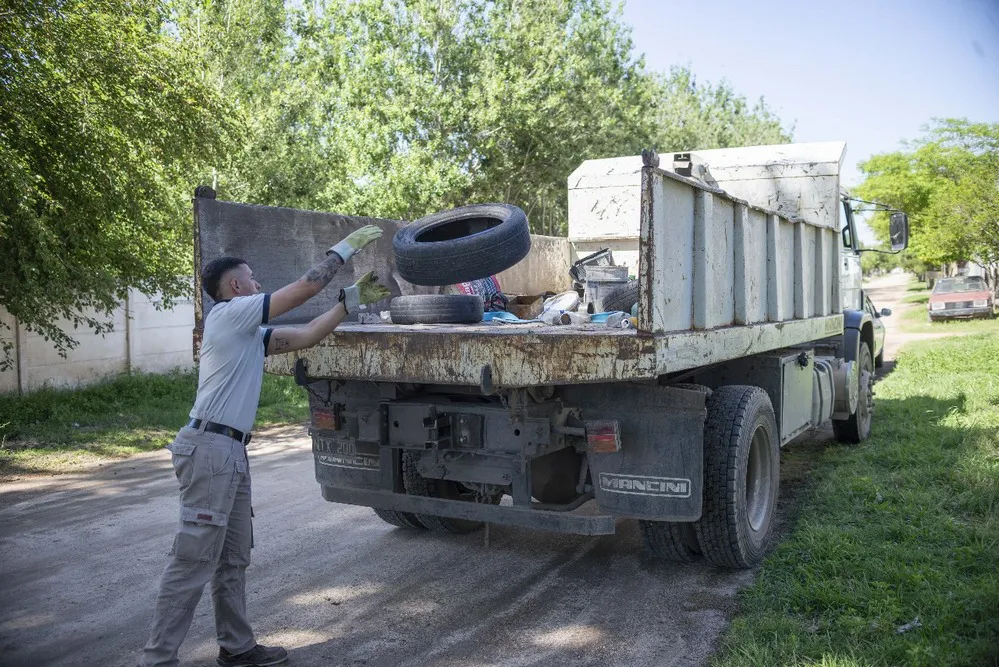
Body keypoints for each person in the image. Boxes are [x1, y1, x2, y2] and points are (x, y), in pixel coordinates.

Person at [138, 225, 390, 667]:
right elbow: (304, 288)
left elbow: (308, 335)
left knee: (233, 558)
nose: (259, 286)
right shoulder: (230, 313)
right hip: (210, 449)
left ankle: (236, 647)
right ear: (236, 287)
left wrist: (348, 302)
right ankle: (157, 659)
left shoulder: (248, 334)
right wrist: (345, 249)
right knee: (193, 559)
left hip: (228, 452)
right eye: (253, 279)